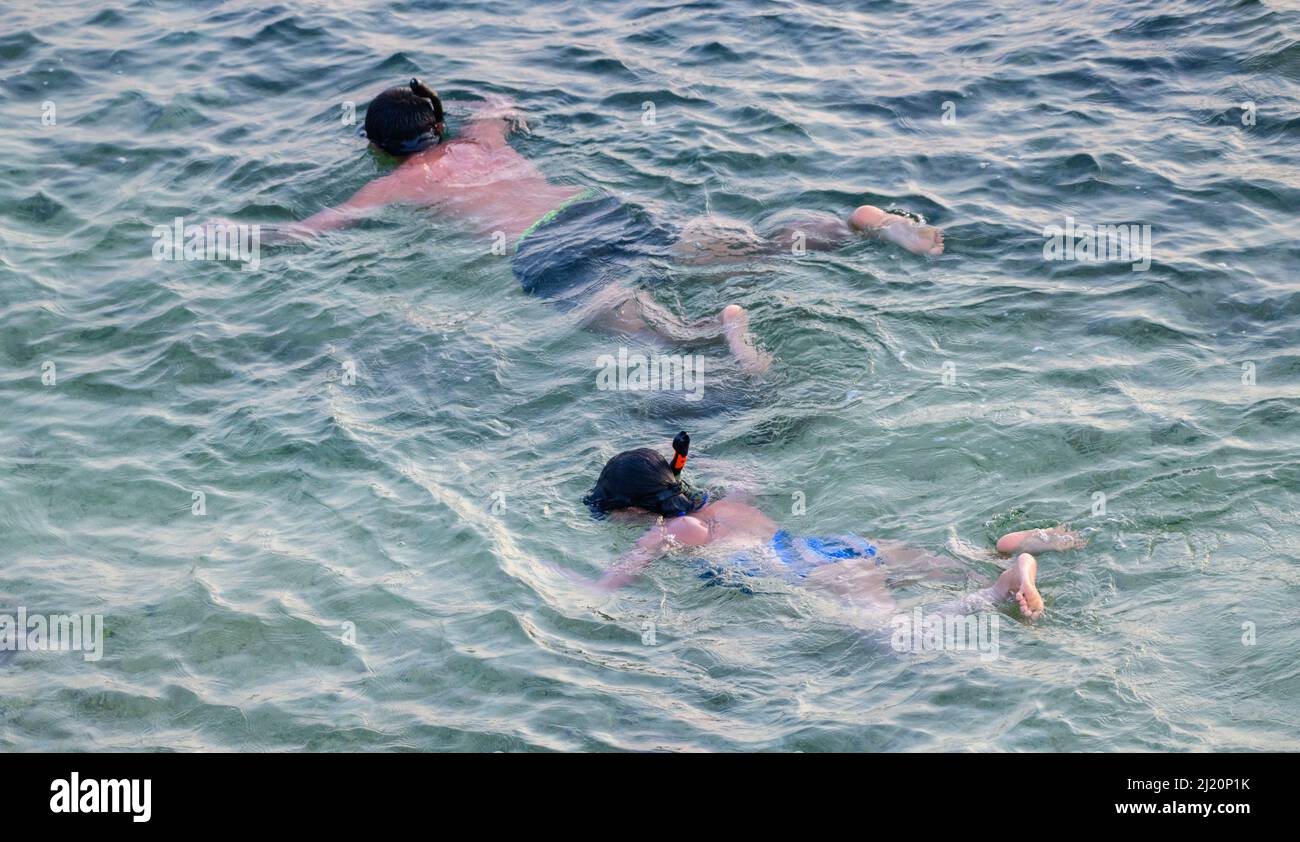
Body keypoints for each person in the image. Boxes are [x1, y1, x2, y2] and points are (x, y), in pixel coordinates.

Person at [279, 80, 945, 372]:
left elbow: (314, 230)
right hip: (595, 205)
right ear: (439, 126)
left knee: (666, 336)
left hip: (546, 250)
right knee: (757, 249)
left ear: (382, 147)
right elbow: (507, 109)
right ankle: (863, 225)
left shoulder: (398, 180)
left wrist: (238, 233)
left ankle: (724, 331)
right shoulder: (479, 141)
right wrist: (492, 107)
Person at [575, 433, 1085, 622]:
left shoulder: (676, 530)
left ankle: (1004, 584)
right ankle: (1008, 550)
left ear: (635, 510)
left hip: (818, 576)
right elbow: (749, 473)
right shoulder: (730, 502)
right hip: (843, 546)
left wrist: (558, 582)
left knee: (896, 644)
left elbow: (615, 581)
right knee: (956, 573)